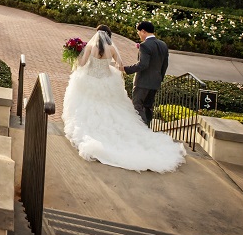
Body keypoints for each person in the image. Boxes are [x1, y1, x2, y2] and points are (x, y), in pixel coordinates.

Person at [62, 25, 185, 173]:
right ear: (108, 35)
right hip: (109, 81)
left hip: (90, 80)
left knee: (90, 104)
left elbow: (82, 64)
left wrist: (76, 56)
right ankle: (144, 129)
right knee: (114, 106)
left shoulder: (90, 46)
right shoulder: (112, 48)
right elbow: (120, 64)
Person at [122, 20, 168, 127]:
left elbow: (143, 65)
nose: (138, 35)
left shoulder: (145, 45)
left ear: (143, 31)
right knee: (148, 107)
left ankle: (142, 130)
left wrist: (125, 69)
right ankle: (147, 127)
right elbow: (164, 65)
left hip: (143, 82)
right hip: (155, 82)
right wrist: (159, 79)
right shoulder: (163, 45)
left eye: (138, 32)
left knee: (137, 106)